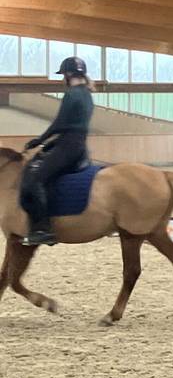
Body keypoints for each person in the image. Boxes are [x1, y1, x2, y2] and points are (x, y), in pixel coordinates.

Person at [20, 56, 95, 246]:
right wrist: (48, 144)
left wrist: (40, 140)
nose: (63, 79)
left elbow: (60, 123)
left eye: (63, 75)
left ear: (69, 74)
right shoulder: (87, 93)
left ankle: (42, 229)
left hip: (68, 146)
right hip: (78, 146)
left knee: (35, 179)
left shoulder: (71, 94)